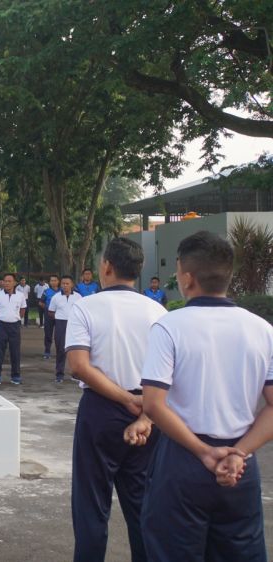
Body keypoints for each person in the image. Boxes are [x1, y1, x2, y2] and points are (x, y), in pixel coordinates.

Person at [141, 231, 273, 560]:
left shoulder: (170, 326)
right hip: (240, 467)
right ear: (228, 276)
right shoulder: (262, 330)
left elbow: (154, 405)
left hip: (183, 460)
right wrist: (238, 453)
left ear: (186, 278)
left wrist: (204, 452)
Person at [65, 237, 167, 562]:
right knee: (143, 506)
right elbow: (169, 376)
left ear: (106, 267)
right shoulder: (159, 312)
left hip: (100, 410)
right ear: (138, 271)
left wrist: (123, 398)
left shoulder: (85, 306)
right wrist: (144, 411)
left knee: (91, 506)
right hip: (148, 414)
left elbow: (78, 366)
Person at [0, 273, 27, 385]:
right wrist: (3, 319)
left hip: (14, 326)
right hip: (1, 326)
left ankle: (15, 376)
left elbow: (22, 310)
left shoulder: (20, 296)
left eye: (9, 281)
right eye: (5, 281)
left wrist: (15, 318)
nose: (6, 283)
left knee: (15, 352)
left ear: (15, 283)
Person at [47, 275, 81, 383]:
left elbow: (81, 311)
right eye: (63, 284)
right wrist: (60, 318)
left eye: (67, 283)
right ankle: (59, 374)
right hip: (60, 324)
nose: (65, 286)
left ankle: (76, 374)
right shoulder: (56, 297)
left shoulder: (78, 297)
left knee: (74, 350)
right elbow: (51, 312)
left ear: (72, 284)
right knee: (60, 350)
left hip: (74, 325)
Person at [40, 275, 60, 359]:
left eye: (55, 280)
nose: (53, 282)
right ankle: (47, 351)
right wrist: (48, 308)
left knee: (59, 335)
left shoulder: (62, 291)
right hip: (48, 315)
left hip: (60, 316)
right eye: (51, 280)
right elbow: (41, 303)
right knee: (48, 334)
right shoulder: (46, 291)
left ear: (58, 281)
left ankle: (60, 352)